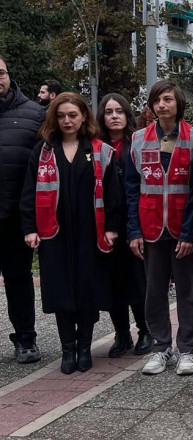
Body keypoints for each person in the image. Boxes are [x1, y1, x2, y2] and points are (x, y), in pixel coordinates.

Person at [20, 92, 121, 374]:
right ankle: (68, 350)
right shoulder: (43, 151)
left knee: (87, 290)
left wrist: (113, 228)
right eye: (61, 115)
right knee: (62, 291)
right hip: (55, 233)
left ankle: (85, 347)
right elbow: (29, 192)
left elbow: (113, 194)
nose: (67, 121)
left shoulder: (100, 150)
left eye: (73, 115)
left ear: (84, 117)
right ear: (54, 118)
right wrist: (29, 228)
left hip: (91, 232)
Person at [126, 79, 193, 376]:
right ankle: (161, 347)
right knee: (154, 290)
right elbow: (132, 188)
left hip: (182, 226)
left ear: (178, 102)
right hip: (150, 226)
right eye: (157, 100)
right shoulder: (139, 139)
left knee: (187, 291)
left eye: (168, 99)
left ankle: (187, 349)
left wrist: (191, 232)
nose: (162, 105)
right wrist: (134, 230)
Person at [97, 93, 152, 358]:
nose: (114, 116)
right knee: (112, 283)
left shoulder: (136, 144)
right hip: (105, 225)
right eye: (109, 112)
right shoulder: (94, 147)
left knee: (136, 282)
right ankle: (121, 334)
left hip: (132, 223)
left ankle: (145, 330)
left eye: (119, 111)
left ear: (127, 115)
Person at [0, 55, 44, 364]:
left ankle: (26, 339)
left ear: (8, 74)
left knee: (18, 278)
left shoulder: (34, 114)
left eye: (0, 72)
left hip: (15, 215)